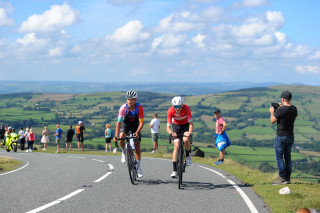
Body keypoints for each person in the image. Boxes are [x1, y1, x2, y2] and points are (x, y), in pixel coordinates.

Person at [269, 90, 298, 185]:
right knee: (288, 157)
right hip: (290, 136)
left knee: (279, 157)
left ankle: (282, 178)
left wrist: (272, 112)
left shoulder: (281, 110)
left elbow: (272, 121)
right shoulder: (294, 109)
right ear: (290, 99)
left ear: (282, 99)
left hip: (281, 136)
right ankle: (288, 178)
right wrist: (283, 107)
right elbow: (293, 115)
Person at [114, 91, 144, 178]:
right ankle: (123, 152)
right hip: (126, 124)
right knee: (121, 137)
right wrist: (116, 135)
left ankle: (138, 168)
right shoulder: (123, 108)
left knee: (137, 146)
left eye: (132, 100)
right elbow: (118, 123)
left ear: (135, 100)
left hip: (136, 126)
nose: (130, 101)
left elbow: (141, 123)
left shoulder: (139, 108)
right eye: (128, 99)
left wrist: (137, 133)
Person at [166, 96, 193, 178]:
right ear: (173, 106)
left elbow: (191, 124)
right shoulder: (170, 111)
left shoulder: (186, 108)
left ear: (182, 105)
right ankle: (174, 170)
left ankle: (188, 156)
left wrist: (189, 133)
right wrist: (171, 133)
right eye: (175, 107)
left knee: (185, 140)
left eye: (179, 106)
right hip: (176, 126)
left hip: (185, 126)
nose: (177, 108)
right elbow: (168, 126)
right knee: (177, 145)